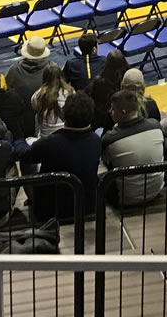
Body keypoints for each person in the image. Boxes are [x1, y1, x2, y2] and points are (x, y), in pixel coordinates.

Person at [12, 93, 102, 221]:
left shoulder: (50, 142)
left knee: (26, 160)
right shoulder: (96, 140)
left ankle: (33, 200)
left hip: (51, 210)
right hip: (85, 206)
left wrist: (19, 140)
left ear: (64, 115)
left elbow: (25, 155)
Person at [100, 89, 165, 207]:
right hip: (157, 190)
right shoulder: (156, 125)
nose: (110, 112)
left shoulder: (110, 139)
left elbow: (106, 161)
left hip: (127, 198)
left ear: (123, 112)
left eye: (113, 109)